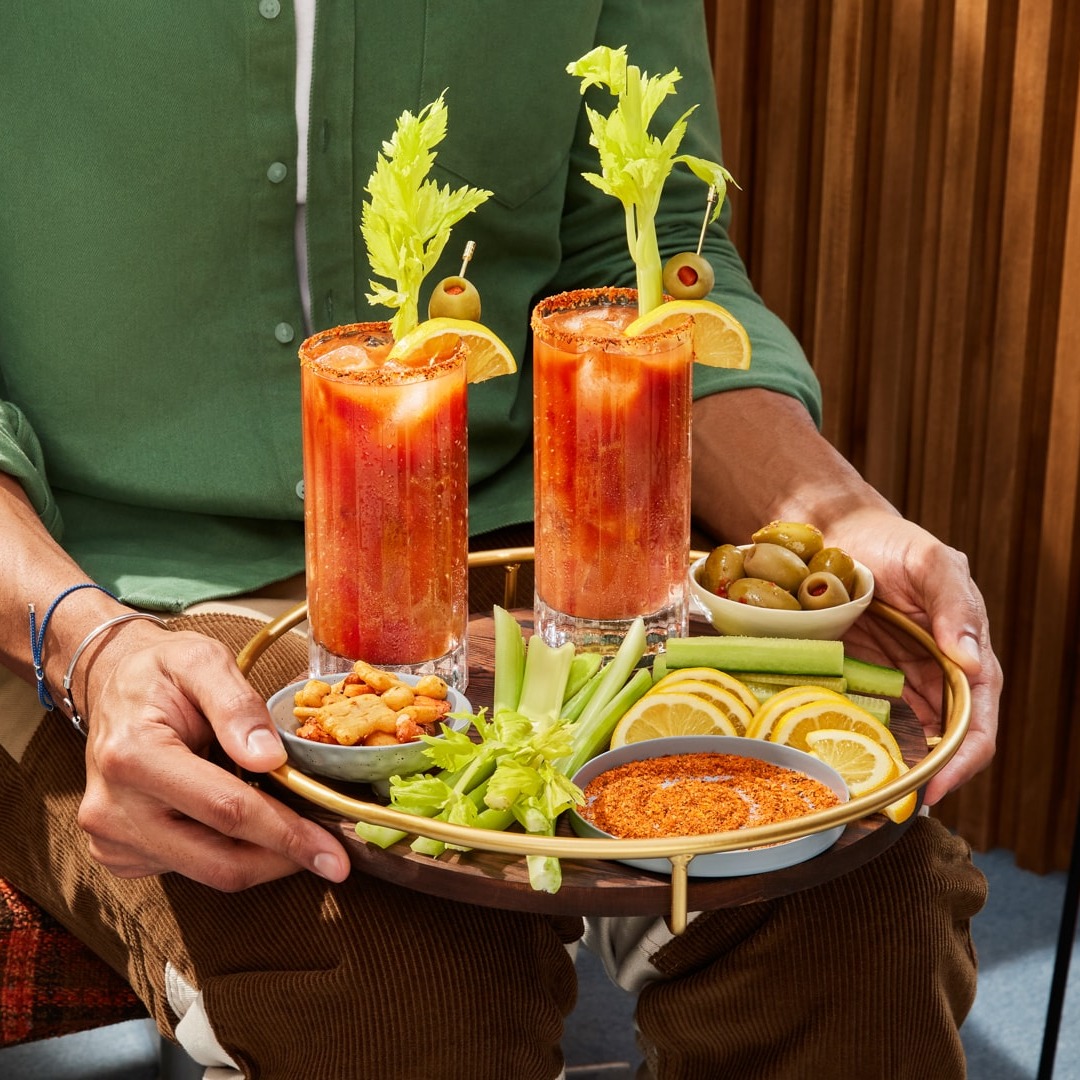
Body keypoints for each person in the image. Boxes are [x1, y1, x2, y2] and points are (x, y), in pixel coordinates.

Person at [0, 2, 999, 1077]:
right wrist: (85, 643)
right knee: (401, 1005)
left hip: (533, 562)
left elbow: (655, 269)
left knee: (869, 929)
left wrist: (836, 514)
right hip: (96, 596)